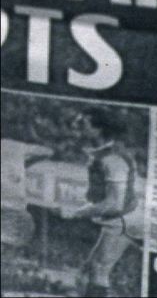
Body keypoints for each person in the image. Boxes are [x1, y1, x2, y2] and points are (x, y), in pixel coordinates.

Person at [60, 108, 141, 298]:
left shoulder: (113, 159)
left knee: (99, 267)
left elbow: (115, 203)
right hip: (118, 218)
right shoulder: (102, 154)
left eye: (82, 123)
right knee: (91, 268)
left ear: (98, 129)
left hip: (124, 218)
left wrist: (76, 212)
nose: (75, 126)